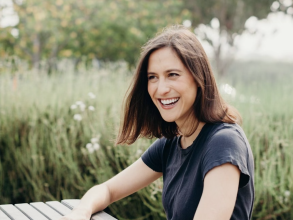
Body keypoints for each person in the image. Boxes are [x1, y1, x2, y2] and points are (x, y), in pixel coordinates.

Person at [60, 25, 254, 220]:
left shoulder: (224, 143)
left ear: (198, 78)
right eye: (153, 77)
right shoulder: (172, 143)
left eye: (173, 75)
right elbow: (107, 190)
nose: (161, 89)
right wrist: (80, 213)